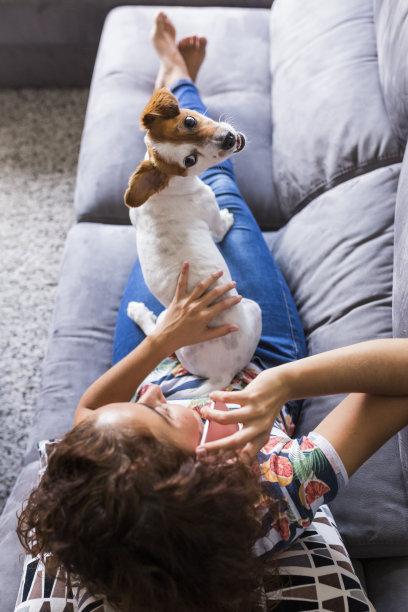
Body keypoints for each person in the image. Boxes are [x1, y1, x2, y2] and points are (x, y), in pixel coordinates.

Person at [17, 12, 408, 612]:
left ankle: (173, 85)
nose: (143, 399)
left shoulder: (83, 523)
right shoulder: (270, 487)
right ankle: (179, 83)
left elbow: (93, 414)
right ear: (208, 469)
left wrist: (158, 345)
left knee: (161, 214)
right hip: (252, 350)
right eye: (165, 420)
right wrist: (282, 381)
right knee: (215, 192)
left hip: (164, 343)